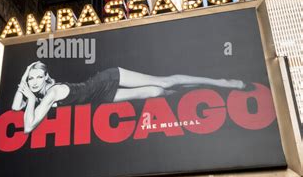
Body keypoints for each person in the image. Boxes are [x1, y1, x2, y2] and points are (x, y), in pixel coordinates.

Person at [12, 61, 248, 134]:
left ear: (45, 77)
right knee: (158, 93)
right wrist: (25, 84)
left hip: (105, 80)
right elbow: (15, 110)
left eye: (37, 77)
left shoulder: (50, 92)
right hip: (101, 98)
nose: (33, 82)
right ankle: (196, 90)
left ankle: (222, 83)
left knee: (163, 81)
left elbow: (28, 127)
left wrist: (30, 99)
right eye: (30, 79)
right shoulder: (41, 92)